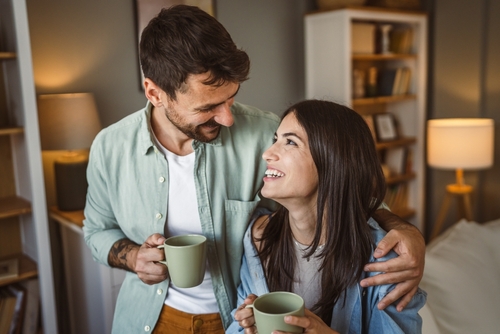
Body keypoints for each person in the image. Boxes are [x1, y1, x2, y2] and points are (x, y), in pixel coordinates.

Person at [82, 5, 425, 334]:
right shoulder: (109, 148)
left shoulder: (265, 132)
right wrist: (132, 258)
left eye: (231, 99)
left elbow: (342, 189)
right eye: (209, 107)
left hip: (236, 314)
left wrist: (408, 234)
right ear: (155, 93)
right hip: (149, 319)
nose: (228, 118)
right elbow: (97, 231)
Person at [230, 100, 426, 334]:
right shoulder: (259, 238)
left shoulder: (387, 262)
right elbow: (236, 328)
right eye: (276, 139)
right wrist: (247, 326)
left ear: (333, 161)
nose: (267, 153)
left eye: (290, 142)